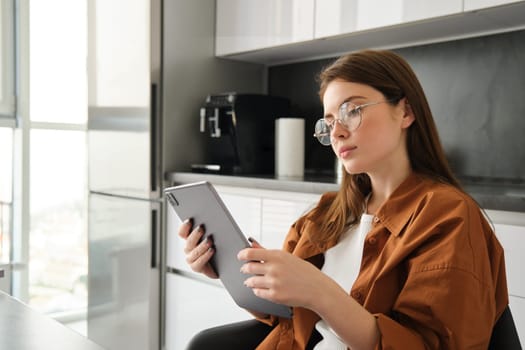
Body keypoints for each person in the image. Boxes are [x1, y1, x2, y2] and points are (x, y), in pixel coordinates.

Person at [178, 49, 509, 349]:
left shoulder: (448, 217)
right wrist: (230, 270)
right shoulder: (324, 215)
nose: (336, 132)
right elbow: (289, 319)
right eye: (329, 121)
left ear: (405, 111)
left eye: (351, 110)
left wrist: (319, 291)